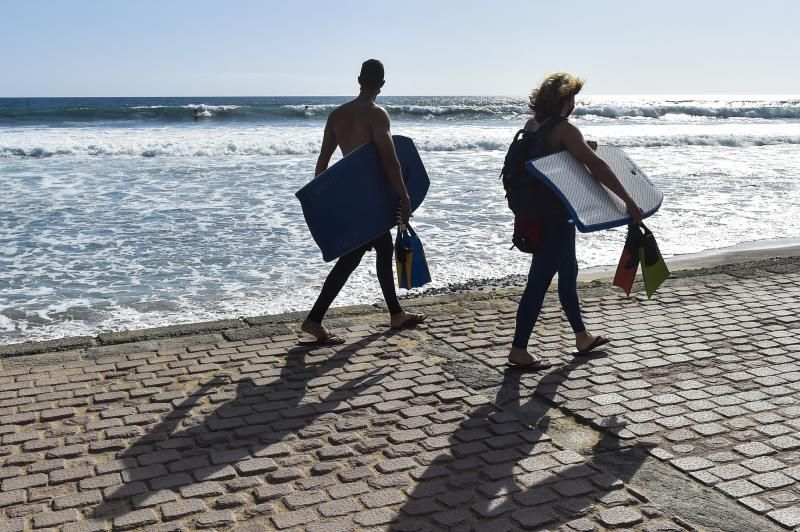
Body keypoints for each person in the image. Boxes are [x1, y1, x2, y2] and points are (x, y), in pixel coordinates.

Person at [508, 72, 643, 369]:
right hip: (554, 219)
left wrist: (580, 146)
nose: (574, 105)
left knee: (569, 275)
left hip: (541, 215)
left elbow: (553, 160)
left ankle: (582, 337)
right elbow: (597, 167)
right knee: (538, 283)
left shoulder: (532, 126)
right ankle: (519, 349)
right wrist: (628, 201)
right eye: (573, 99)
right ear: (564, 100)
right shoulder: (565, 129)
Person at [300, 59, 426, 345]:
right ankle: (314, 320)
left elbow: (323, 162)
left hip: (350, 199)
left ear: (359, 79)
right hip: (372, 200)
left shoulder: (336, 115)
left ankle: (395, 313)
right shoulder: (376, 114)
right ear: (382, 84)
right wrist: (404, 195)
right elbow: (389, 159)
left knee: (381, 249)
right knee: (351, 259)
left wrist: (325, 201)